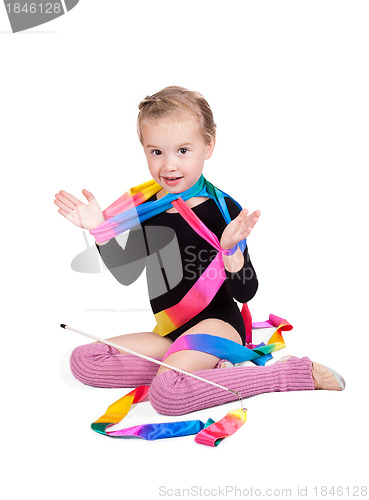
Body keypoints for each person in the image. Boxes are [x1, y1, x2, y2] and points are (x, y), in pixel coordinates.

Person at [54, 86, 345, 416]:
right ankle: (198, 372)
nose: (169, 165)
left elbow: (246, 291)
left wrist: (232, 254)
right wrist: (99, 229)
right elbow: (125, 272)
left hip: (218, 325)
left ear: (208, 146)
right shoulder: (146, 208)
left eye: (182, 150)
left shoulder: (222, 209)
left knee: (167, 396)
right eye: (156, 152)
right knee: (85, 362)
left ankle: (284, 374)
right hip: (170, 332)